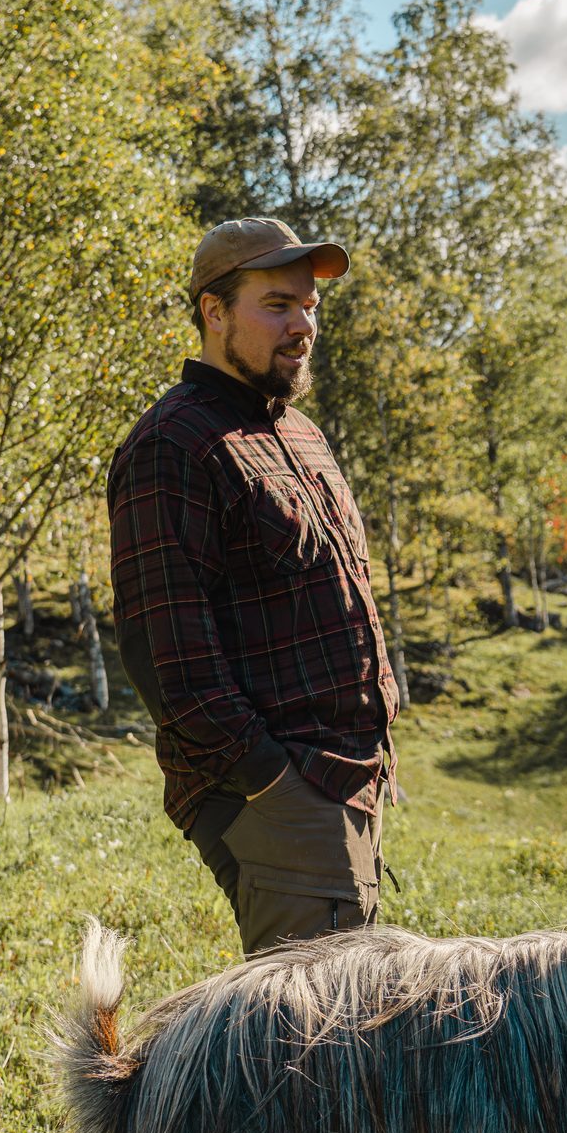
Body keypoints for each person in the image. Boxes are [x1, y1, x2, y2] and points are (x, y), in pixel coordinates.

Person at [107, 216, 398, 955]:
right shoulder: (172, 444)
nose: (302, 324)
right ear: (214, 310)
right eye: (278, 304)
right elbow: (167, 658)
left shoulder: (298, 432)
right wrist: (274, 783)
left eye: (311, 306)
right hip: (280, 790)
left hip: (346, 779)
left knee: (350, 1021)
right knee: (307, 1048)